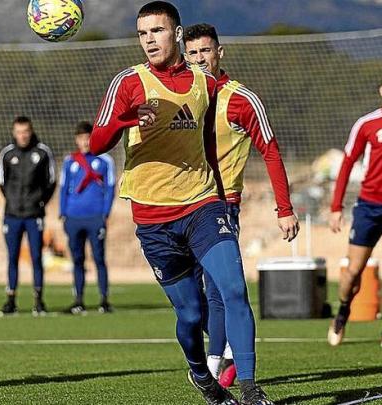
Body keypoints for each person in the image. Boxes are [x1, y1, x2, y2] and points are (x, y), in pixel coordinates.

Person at [89, 2, 272, 404]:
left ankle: (250, 389)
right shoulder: (128, 83)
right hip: (153, 218)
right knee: (190, 316)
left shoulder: (204, 84)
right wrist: (127, 119)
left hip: (203, 205)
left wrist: (221, 196)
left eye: (156, 31)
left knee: (234, 290)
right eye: (142, 33)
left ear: (176, 32)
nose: (149, 40)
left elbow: (208, 141)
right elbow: (97, 142)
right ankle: (200, 374)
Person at [183, 23, 299, 387]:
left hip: (221, 206)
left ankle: (216, 368)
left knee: (219, 292)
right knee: (192, 298)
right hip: (181, 208)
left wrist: (285, 209)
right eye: (193, 53)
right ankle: (228, 352)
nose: (200, 59)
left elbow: (271, 151)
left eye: (206, 51)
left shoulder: (240, 99)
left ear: (220, 52)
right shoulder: (180, 96)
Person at [327, 84, 382, 346]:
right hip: (369, 206)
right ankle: (343, 311)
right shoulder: (367, 124)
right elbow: (347, 162)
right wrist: (336, 207)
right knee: (353, 272)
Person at [0, 116, 56, 316]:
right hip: (12, 215)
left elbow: (51, 182)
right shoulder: (7, 153)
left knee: (36, 257)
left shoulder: (42, 152)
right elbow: (1, 182)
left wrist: (39, 202)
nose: (22, 136)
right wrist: (13, 201)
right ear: (14, 133)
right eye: (19, 132)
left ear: (31, 132)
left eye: (26, 131)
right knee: (12, 257)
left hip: (34, 215)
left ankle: (39, 300)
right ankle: (10, 300)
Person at [59, 121, 115, 314]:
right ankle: (78, 300)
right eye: (81, 138)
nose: (84, 142)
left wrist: (105, 214)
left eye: (87, 138)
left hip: (95, 217)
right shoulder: (69, 161)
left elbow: (110, 188)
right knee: (77, 259)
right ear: (76, 140)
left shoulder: (105, 160)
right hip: (74, 218)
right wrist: (63, 214)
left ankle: (104, 299)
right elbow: (63, 189)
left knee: (99, 258)